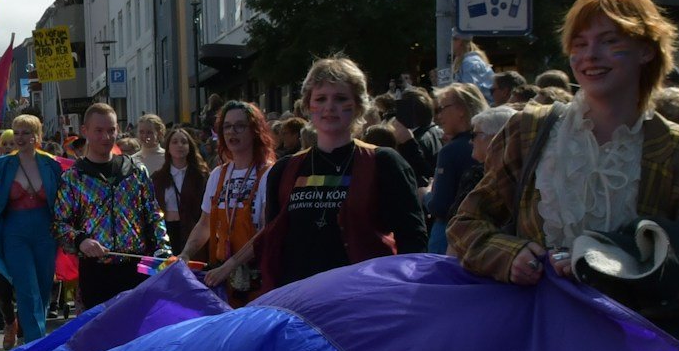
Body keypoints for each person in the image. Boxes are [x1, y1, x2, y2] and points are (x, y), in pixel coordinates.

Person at [450, 0, 679, 351]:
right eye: (579, 44)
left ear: (647, 50)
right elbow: (466, 224)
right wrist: (512, 255)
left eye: (609, 41)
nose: (589, 56)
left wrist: (613, 274)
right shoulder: (529, 131)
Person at [262, 57, 428, 293]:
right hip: (298, 304)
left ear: (358, 106)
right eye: (320, 99)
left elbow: (413, 243)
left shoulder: (384, 163)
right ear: (309, 106)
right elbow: (274, 241)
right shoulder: (284, 169)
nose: (330, 107)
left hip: (363, 301)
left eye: (341, 99)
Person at [53, 100, 167, 313]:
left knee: (135, 337)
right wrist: (81, 240)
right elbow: (60, 224)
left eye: (111, 130)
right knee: (99, 339)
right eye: (99, 131)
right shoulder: (73, 177)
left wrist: (162, 249)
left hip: (135, 269)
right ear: (85, 131)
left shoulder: (134, 171)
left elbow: (154, 214)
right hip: (95, 271)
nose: (106, 137)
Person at [0, 113, 64, 344]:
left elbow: (67, 197)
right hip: (14, 233)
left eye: (26, 133)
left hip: (46, 233)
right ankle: (36, 344)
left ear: (37, 136)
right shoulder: (2, 165)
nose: (20, 137)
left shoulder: (52, 166)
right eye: (16, 133)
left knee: (44, 288)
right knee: (27, 288)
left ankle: (36, 337)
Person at [184, 100, 275, 303]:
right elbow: (204, 224)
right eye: (227, 126)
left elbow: (266, 232)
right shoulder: (219, 174)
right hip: (223, 279)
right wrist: (186, 253)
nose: (232, 132)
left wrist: (231, 265)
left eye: (240, 126)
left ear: (254, 131)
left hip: (256, 279)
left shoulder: (268, 173)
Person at [423, 84, 486, 253]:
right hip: (483, 237)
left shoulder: (451, 151)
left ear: (461, 110)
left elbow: (440, 206)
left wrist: (426, 194)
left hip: (449, 238)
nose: (439, 116)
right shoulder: (490, 142)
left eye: (442, 108)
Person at [152, 124, 208, 256]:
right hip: (166, 232)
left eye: (184, 142)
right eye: (175, 142)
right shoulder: (158, 178)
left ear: (190, 147)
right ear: (168, 148)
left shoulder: (201, 176)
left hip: (191, 232)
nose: (179, 146)